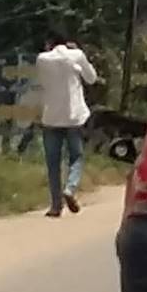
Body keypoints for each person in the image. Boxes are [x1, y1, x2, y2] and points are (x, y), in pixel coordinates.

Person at [35, 32, 98, 218]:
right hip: (73, 117)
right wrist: (76, 52)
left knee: (53, 163)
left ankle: (55, 206)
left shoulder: (42, 59)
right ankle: (70, 188)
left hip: (51, 117)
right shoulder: (76, 56)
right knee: (76, 157)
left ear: (49, 43)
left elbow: (43, 81)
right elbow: (92, 78)